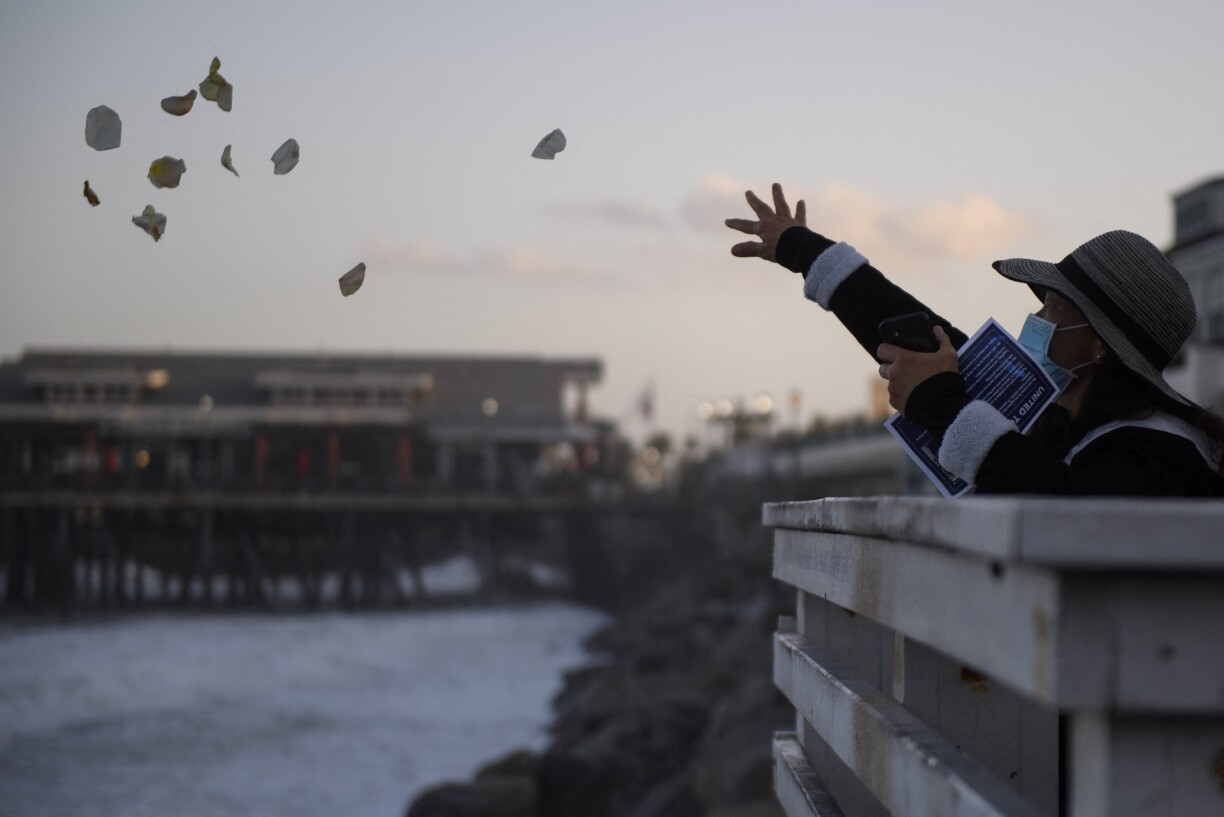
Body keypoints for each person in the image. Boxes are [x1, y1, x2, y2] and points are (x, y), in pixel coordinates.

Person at [726, 183, 1224, 496]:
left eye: (1053, 306)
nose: (1038, 316)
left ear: (1100, 343)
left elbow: (1058, 502)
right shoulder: (1068, 420)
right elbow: (934, 341)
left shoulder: (1157, 455)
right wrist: (807, 251)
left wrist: (938, 402)